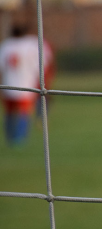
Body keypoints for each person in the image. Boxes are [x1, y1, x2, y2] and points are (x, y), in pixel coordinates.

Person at [0, 13, 54, 147]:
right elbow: (41, 65)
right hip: (25, 85)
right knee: (23, 112)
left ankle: (9, 138)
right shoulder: (31, 45)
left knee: (9, 112)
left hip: (7, 85)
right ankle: (19, 139)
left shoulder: (6, 45)